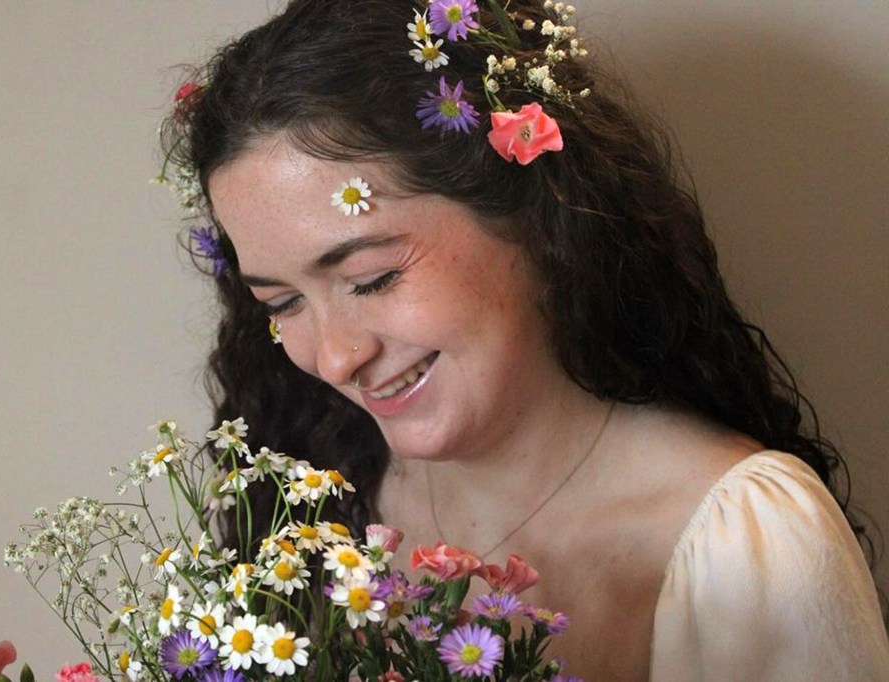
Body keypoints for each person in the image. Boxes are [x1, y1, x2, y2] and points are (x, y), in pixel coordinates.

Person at [160, 0, 889, 678]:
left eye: (372, 278)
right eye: (282, 302)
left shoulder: (743, 542)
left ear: (534, 219)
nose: (336, 356)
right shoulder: (314, 501)